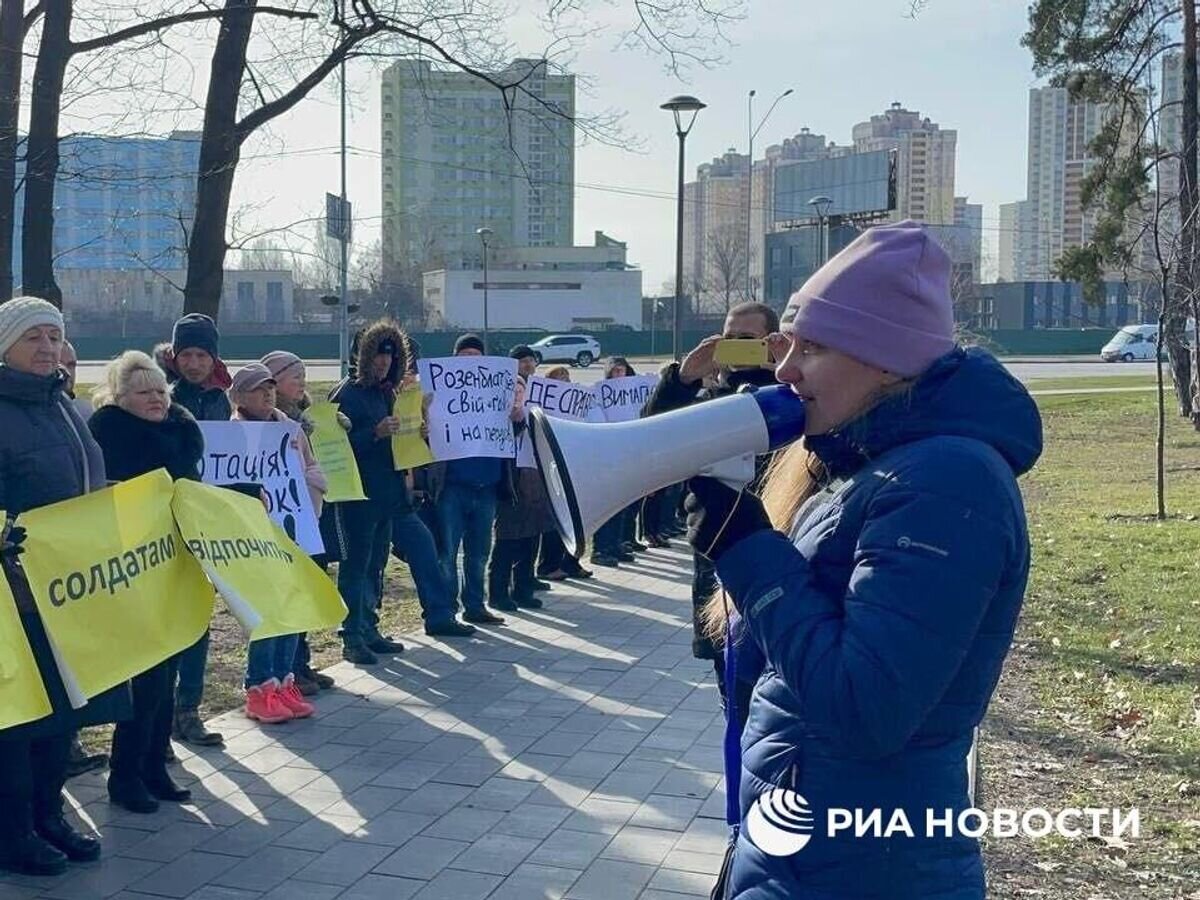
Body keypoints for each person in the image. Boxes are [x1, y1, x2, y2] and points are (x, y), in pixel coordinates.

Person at [684, 222, 1043, 899]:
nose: (785, 369)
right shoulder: (860, 468)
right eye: (787, 346)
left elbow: (864, 708)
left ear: (886, 360)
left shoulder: (946, 482)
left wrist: (746, 550)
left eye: (813, 348)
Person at [0, 297, 131, 876]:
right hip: (13, 595)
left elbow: (86, 484)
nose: (48, 348)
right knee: (15, 721)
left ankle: (49, 815)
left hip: (70, 594)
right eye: (34, 337)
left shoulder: (67, 407)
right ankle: (13, 832)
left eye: (55, 337)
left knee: (62, 710)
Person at [642, 300, 781, 689]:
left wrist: (787, 372)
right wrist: (682, 378)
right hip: (719, 572)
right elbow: (647, 438)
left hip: (779, 559)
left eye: (748, 340)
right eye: (729, 338)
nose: (737, 347)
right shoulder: (705, 400)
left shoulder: (795, 395)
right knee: (733, 699)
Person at [88, 351, 204, 814]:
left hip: (175, 563)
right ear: (120, 398)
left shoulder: (179, 434)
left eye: (161, 390)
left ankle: (155, 764)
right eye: (144, 392)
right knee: (145, 677)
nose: (156, 399)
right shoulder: (110, 438)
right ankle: (126, 773)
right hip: (131, 568)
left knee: (168, 671)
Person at [226, 363, 322, 720]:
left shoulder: (290, 429)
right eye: (256, 389)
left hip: (296, 530)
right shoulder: (231, 435)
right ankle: (259, 688)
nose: (266, 394)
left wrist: (313, 492)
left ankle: (284, 682)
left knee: (293, 608)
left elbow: (311, 467)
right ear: (238, 397)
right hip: (257, 538)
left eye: (269, 388)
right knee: (268, 613)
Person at [154, 312, 229, 747]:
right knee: (167, 622)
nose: (195, 363)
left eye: (203, 354)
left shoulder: (219, 399)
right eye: (188, 354)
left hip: (207, 522)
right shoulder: (162, 398)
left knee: (200, 618)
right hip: (168, 522)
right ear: (176, 355)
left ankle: (189, 709)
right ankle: (159, 719)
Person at [332, 320, 411, 664]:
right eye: (378, 356)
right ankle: (351, 635)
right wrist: (374, 434)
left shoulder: (389, 394)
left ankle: (370, 628)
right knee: (356, 566)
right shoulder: (346, 394)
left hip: (386, 495)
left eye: (390, 358)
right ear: (364, 356)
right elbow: (333, 449)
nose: (384, 363)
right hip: (358, 498)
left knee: (376, 565)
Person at [261, 350, 339, 693]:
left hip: (307, 517)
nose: (302, 384)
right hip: (283, 522)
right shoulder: (267, 423)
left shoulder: (305, 417)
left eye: (304, 378)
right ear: (274, 381)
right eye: (296, 377)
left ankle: (300, 664)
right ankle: (284, 672)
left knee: (305, 590)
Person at [431, 333, 519, 626]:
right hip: (452, 487)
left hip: (487, 487)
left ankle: (475, 605)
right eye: (464, 356)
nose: (469, 361)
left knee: (479, 552)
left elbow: (509, 435)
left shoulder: (497, 392)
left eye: (475, 356)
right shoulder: (439, 391)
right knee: (447, 554)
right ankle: (446, 610)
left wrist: (516, 418)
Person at [488, 345, 554, 612]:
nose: (527, 365)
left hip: (535, 471)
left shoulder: (541, 394)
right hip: (511, 473)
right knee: (508, 535)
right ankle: (498, 591)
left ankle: (524, 586)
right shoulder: (503, 391)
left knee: (532, 533)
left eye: (531, 361)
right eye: (522, 361)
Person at [534, 366, 593, 583]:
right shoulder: (542, 404)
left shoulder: (575, 402)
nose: (564, 380)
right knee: (555, 520)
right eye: (558, 377)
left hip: (573, 466)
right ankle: (548, 565)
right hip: (552, 469)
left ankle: (570, 562)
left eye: (566, 376)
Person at [589, 357, 640, 568]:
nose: (620, 375)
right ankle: (601, 549)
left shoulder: (634, 394)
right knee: (608, 506)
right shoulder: (599, 394)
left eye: (623, 371)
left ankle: (615, 545)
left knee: (623, 506)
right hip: (608, 456)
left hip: (628, 454)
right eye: (616, 371)